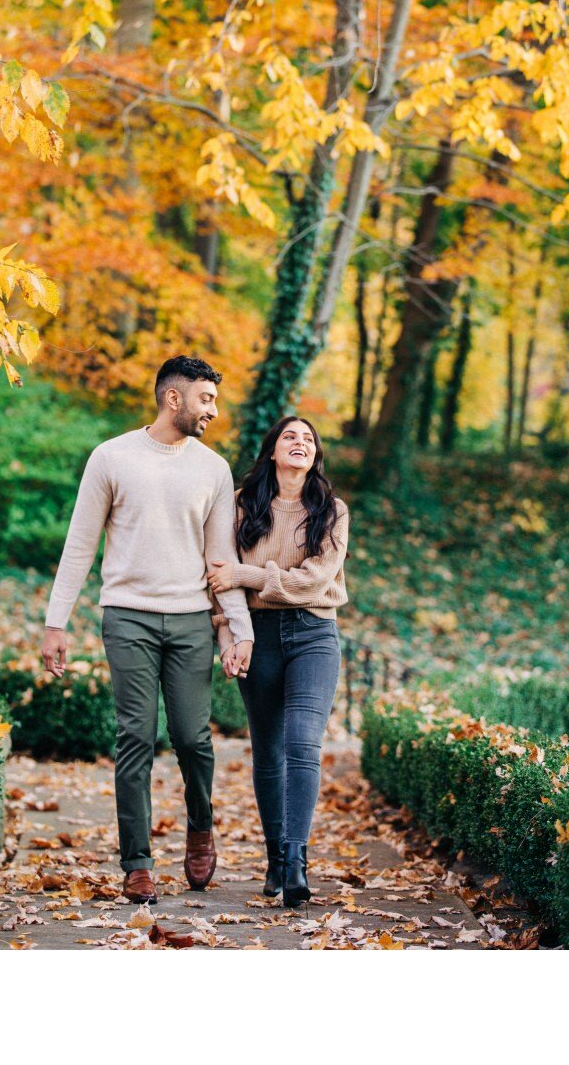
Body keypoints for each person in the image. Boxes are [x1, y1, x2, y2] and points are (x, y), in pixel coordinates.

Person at [39, 356, 253, 905]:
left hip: (189, 621)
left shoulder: (213, 468)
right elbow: (80, 543)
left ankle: (200, 827)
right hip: (127, 615)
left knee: (191, 738)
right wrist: (54, 622)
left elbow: (221, 560)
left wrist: (240, 629)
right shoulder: (111, 457)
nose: (214, 410)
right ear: (173, 399)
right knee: (135, 735)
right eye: (206, 399)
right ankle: (137, 862)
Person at [207, 415, 349, 910]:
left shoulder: (331, 511)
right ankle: (273, 859)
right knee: (267, 752)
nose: (300, 443)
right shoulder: (243, 508)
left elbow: (312, 581)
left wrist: (246, 574)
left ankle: (295, 861)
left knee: (303, 744)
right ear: (272, 450)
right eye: (290, 436)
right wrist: (228, 636)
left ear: (315, 456)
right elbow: (217, 582)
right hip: (257, 637)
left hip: (314, 634)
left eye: (309, 438)